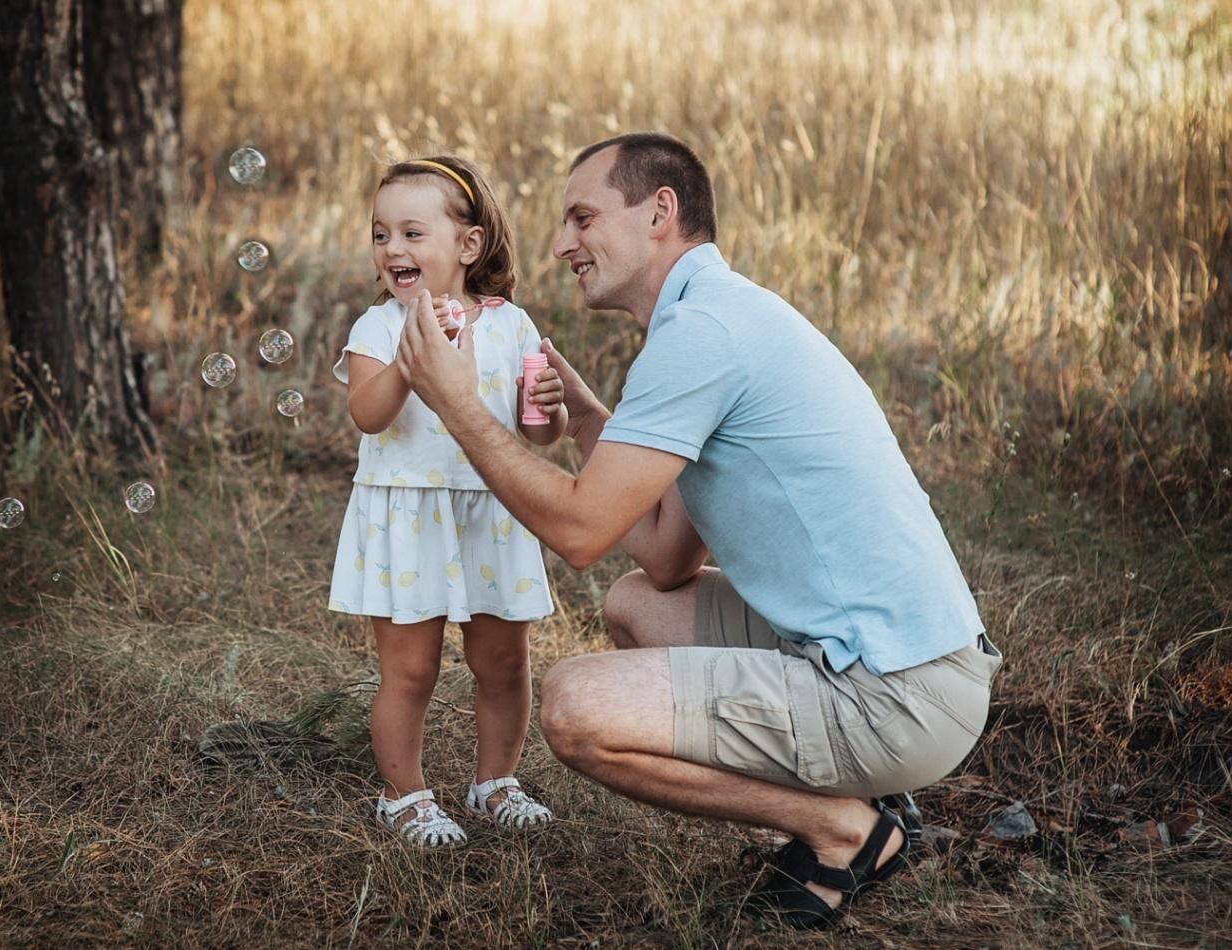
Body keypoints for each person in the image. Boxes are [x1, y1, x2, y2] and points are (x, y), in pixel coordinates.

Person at [392, 133, 1002, 928]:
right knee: (636, 604)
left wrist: (457, 405)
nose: (560, 244)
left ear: (659, 212)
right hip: (906, 665)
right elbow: (667, 558)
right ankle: (863, 794)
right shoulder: (716, 314)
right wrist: (584, 418)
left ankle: (846, 827)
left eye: (583, 216)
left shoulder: (700, 337)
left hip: (894, 696)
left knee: (575, 708)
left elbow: (578, 532)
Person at [327, 155, 568, 848]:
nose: (391, 250)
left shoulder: (511, 325)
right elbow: (368, 416)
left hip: (489, 511)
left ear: (468, 245)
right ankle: (403, 796)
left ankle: (495, 782)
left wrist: (547, 408)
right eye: (379, 235)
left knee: (503, 662)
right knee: (411, 669)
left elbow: (537, 433)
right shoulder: (379, 327)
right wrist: (409, 356)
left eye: (410, 233)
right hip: (409, 514)